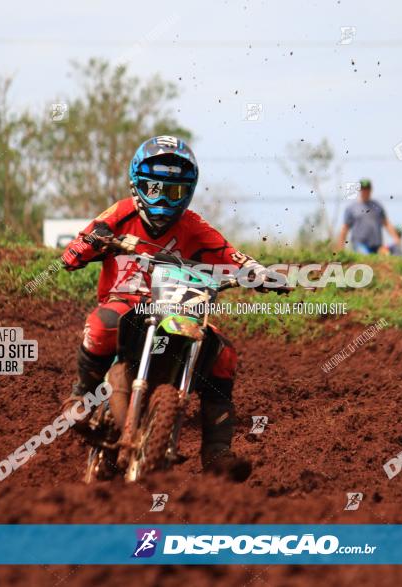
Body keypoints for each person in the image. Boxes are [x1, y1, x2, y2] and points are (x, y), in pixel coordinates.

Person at [59, 135, 274, 476]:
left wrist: (258, 272)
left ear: (187, 193)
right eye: (155, 188)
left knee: (224, 355)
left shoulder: (195, 227)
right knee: (102, 325)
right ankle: (81, 395)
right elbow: (86, 239)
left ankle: (217, 452)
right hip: (126, 304)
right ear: (138, 185)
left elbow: (229, 255)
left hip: (178, 308)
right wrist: (82, 248)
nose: (163, 198)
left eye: (173, 192)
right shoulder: (120, 214)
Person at [335, 179, 402, 255]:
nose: (365, 191)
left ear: (371, 190)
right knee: (365, 257)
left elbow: (386, 223)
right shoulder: (351, 208)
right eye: (363, 189)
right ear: (359, 190)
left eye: (367, 189)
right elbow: (345, 229)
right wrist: (340, 248)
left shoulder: (377, 206)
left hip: (377, 246)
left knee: (393, 253)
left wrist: (396, 238)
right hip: (359, 244)